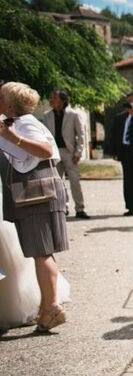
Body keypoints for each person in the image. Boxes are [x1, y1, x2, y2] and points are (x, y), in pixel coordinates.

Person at [0, 82, 72, 333]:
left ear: (9, 104)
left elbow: (46, 150)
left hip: (36, 195)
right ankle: (46, 309)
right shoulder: (13, 122)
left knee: (41, 253)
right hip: (32, 195)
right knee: (40, 253)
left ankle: (52, 308)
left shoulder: (24, 123)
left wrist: (13, 138)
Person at [41, 88, 89, 219]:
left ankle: (80, 208)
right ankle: (63, 207)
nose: (51, 100)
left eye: (54, 98)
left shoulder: (73, 114)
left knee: (75, 181)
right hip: (54, 153)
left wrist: (78, 152)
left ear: (63, 100)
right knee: (58, 182)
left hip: (69, 152)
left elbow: (81, 135)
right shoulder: (47, 116)